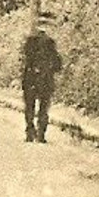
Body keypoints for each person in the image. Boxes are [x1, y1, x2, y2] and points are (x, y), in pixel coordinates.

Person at [21, 12, 63, 143]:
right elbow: (58, 63)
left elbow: (26, 59)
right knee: (44, 106)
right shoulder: (50, 43)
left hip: (31, 78)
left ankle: (30, 131)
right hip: (45, 78)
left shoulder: (29, 41)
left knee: (30, 105)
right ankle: (41, 133)